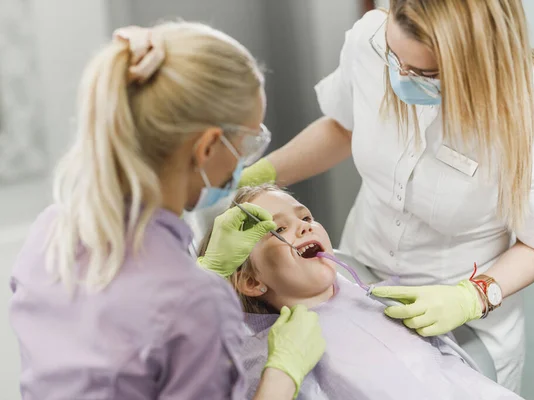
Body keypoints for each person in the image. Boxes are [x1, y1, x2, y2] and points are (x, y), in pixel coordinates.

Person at [234, 0, 534, 392]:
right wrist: (252, 179)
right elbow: (344, 129)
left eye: (424, 73)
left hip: (459, 314)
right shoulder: (370, 41)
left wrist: (471, 296)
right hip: (359, 271)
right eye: (393, 57)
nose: (399, 75)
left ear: (476, 66)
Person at [8, 23, 324, 400]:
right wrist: (282, 373)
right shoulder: (194, 304)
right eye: (248, 144)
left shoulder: (50, 230)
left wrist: (203, 277)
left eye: (305, 218)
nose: (244, 162)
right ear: (206, 147)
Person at [199, 184, 523, 400]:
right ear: (251, 282)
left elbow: (460, 370)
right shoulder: (269, 358)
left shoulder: (385, 301)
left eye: (306, 216)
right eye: (279, 229)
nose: (304, 227)